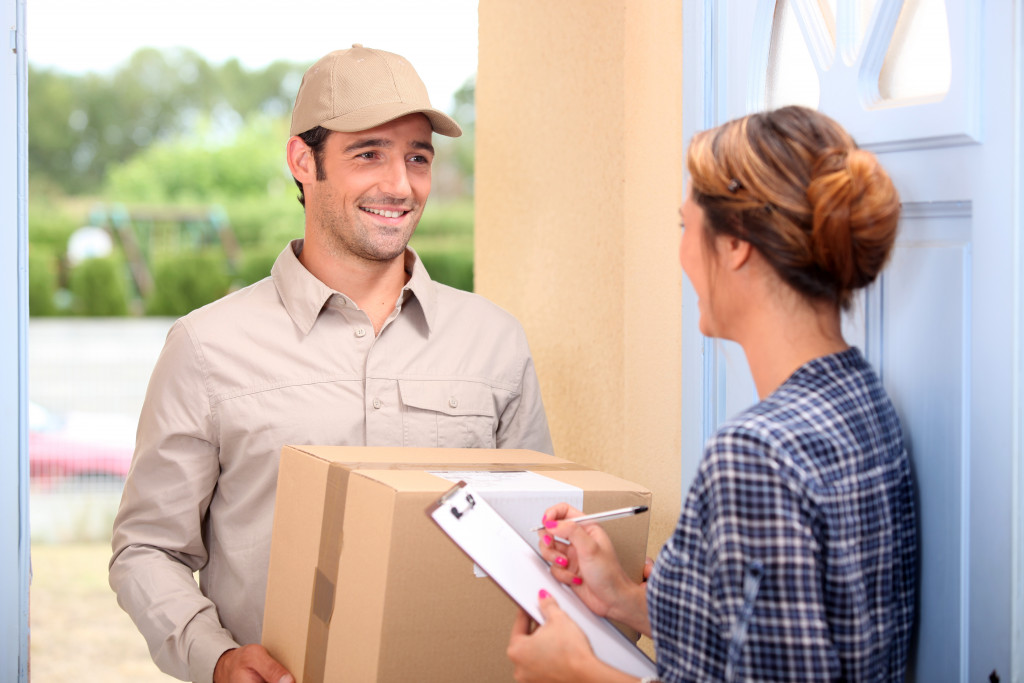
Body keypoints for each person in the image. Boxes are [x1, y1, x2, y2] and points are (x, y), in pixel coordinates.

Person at [110, 45, 553, 683]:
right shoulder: (206, 347)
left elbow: (534, 543)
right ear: (302, 160)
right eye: (368, 153)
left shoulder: (496, 343)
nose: (400, 185)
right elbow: (147, 548)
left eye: (417, 158)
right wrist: (218, 657)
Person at [507, 106, 916, 682]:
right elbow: (772, 635)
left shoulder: (756, 456)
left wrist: (578, 673)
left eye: (685, 226)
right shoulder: (861, 401)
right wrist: (622, 597)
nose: (681, 253)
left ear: (736, 244)